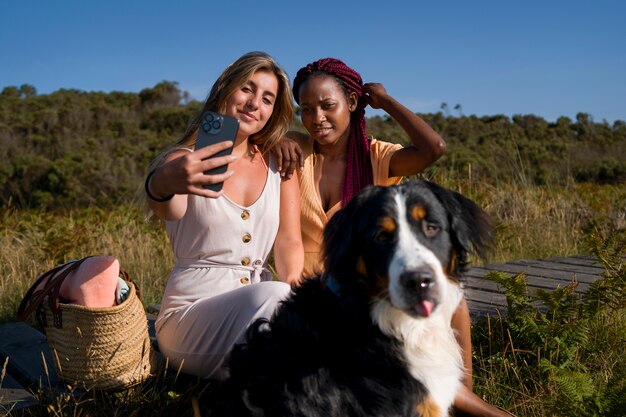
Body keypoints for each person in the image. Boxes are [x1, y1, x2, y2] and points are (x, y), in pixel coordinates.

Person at [276, 58, 513, 417]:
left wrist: (386, 102)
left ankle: (462, 391)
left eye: (328, 106)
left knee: (453, 298)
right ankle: (462, 404)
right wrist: (277, 138)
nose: (317, 118)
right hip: (315, 288)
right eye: (306, 109)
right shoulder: (297, 150)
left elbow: (433, 148)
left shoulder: (378, 155)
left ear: (351, 104)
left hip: (371, 279)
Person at [145, 51, 303, 379]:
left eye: (267, 98)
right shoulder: (185, 159)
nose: (254, 103)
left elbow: (289, 242)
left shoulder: (280, 165)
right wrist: (165, 181)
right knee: (275, 300)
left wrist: (297, 307)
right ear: (225, 90)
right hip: (190, 318)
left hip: (265, 309)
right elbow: (166, 206)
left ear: (273, 112)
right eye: (246, 89)